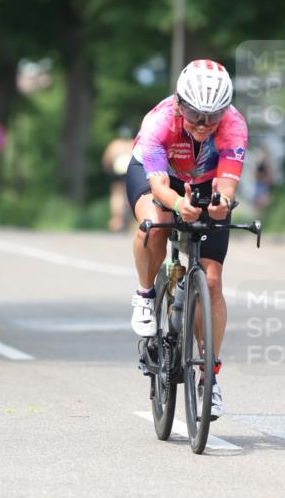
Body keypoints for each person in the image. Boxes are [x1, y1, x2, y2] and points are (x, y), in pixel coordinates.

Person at [126, 59, 248, 419]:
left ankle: (208, 378)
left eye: (213, 116)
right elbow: (159, 187)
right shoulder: (159, 121)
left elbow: (226, 186)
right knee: (158, 222)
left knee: (211, 280)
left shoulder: (234, 126)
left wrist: (222, 204)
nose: (203, 124)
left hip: (205, 182)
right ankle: (146, 293)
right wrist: (180, 203)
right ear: (180, 104)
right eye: (195, 114)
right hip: (161, 179)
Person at [102, 127, 135, 232]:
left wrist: (107, 170)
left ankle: (116, 219)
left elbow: (106, 159)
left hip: (117, 172)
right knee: (129, 195)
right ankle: (128, 221)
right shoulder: (133, 143)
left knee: (117, 195)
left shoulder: (114, 144)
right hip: (130, 171)